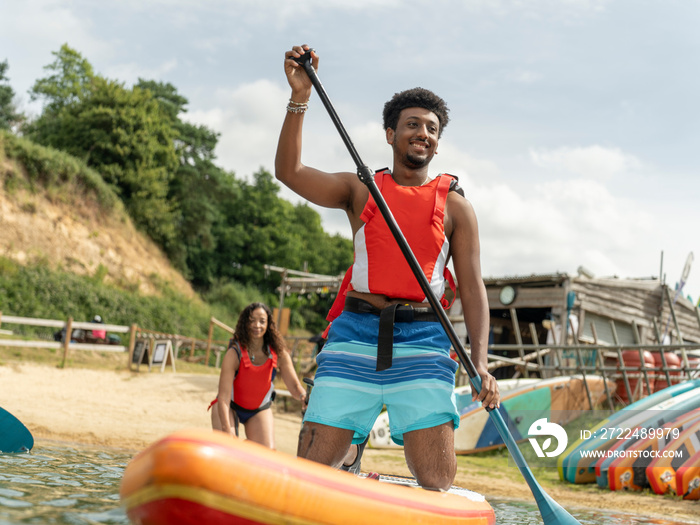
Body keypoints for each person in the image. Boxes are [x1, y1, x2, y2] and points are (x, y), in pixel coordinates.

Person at [275, 45, 501, 490]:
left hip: (424, 340)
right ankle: (346, 462)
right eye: (413, 124)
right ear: (389, 134)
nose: (423, 133)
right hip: (355, 332)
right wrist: (300, 96)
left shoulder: (457, 208)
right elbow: (289, 171)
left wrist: (480, 363)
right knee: (312, 466)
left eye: (432, 128)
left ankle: (357, 464)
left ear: (438, 141)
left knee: (436, 478)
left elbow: (473, 290)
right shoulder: (360, 190)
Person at [209, 302, 308, 449]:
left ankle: (245, 447)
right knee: (228, 448)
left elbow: (294, 386)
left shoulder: (279, 353)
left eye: (262, 321)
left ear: (268, 324)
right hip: (229, 406)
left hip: (258, 410)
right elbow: (223, 397)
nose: (257, 325)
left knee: (266, 454)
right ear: (245, 323)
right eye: (252, 320)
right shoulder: (234, 354)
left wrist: (303, 397)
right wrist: (227, 430)